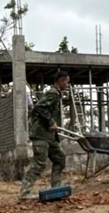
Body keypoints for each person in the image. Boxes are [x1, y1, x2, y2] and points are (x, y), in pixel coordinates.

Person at [18, 70, 70, 201]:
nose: (67, 85)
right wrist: (51, 122)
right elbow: (39, 108)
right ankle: (24, 193)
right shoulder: (53, 93)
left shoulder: (56, 94)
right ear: (61, 81)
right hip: (41, 135)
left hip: (50, 136)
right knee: (39, 164)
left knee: (60, 158)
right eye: (66, 82)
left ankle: (56, 187)